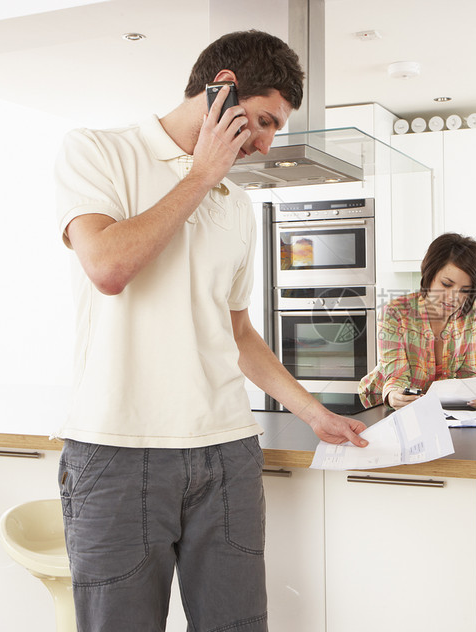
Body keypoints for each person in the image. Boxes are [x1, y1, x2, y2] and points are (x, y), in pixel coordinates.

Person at [54, 29, 367, 631]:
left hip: (226, 454)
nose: (268, 143)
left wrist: (312, 412)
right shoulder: (98, 151)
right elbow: (108, 268)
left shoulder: (236, 204)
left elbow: (239, 331)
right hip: (118, 452)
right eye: (263, 120)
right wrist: (199, 176)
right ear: (222, 90)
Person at [359, 233, 476, 410]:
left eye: (465, 290)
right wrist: (395, 395)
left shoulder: (469, 313)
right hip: (382, 408)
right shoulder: (396, 313)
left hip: (438, 408)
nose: (454, 297)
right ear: (429, 275)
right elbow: (396, 377)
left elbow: (469, 372)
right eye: (446, 284)